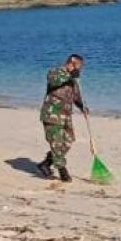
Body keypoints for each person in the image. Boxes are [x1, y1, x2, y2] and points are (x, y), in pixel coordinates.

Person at [38, 54, 87, 182]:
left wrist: (82, 106)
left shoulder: (74, 79)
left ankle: (46, 163)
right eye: (79, 66)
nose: (80, 69)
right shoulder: (55, 72)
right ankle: (62, 170)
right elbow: (54, 81)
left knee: (68, 141)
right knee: (56, 143)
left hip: (66, 115)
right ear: (72, 62)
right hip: (52, 114)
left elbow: (75, 96)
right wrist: (70, 75)